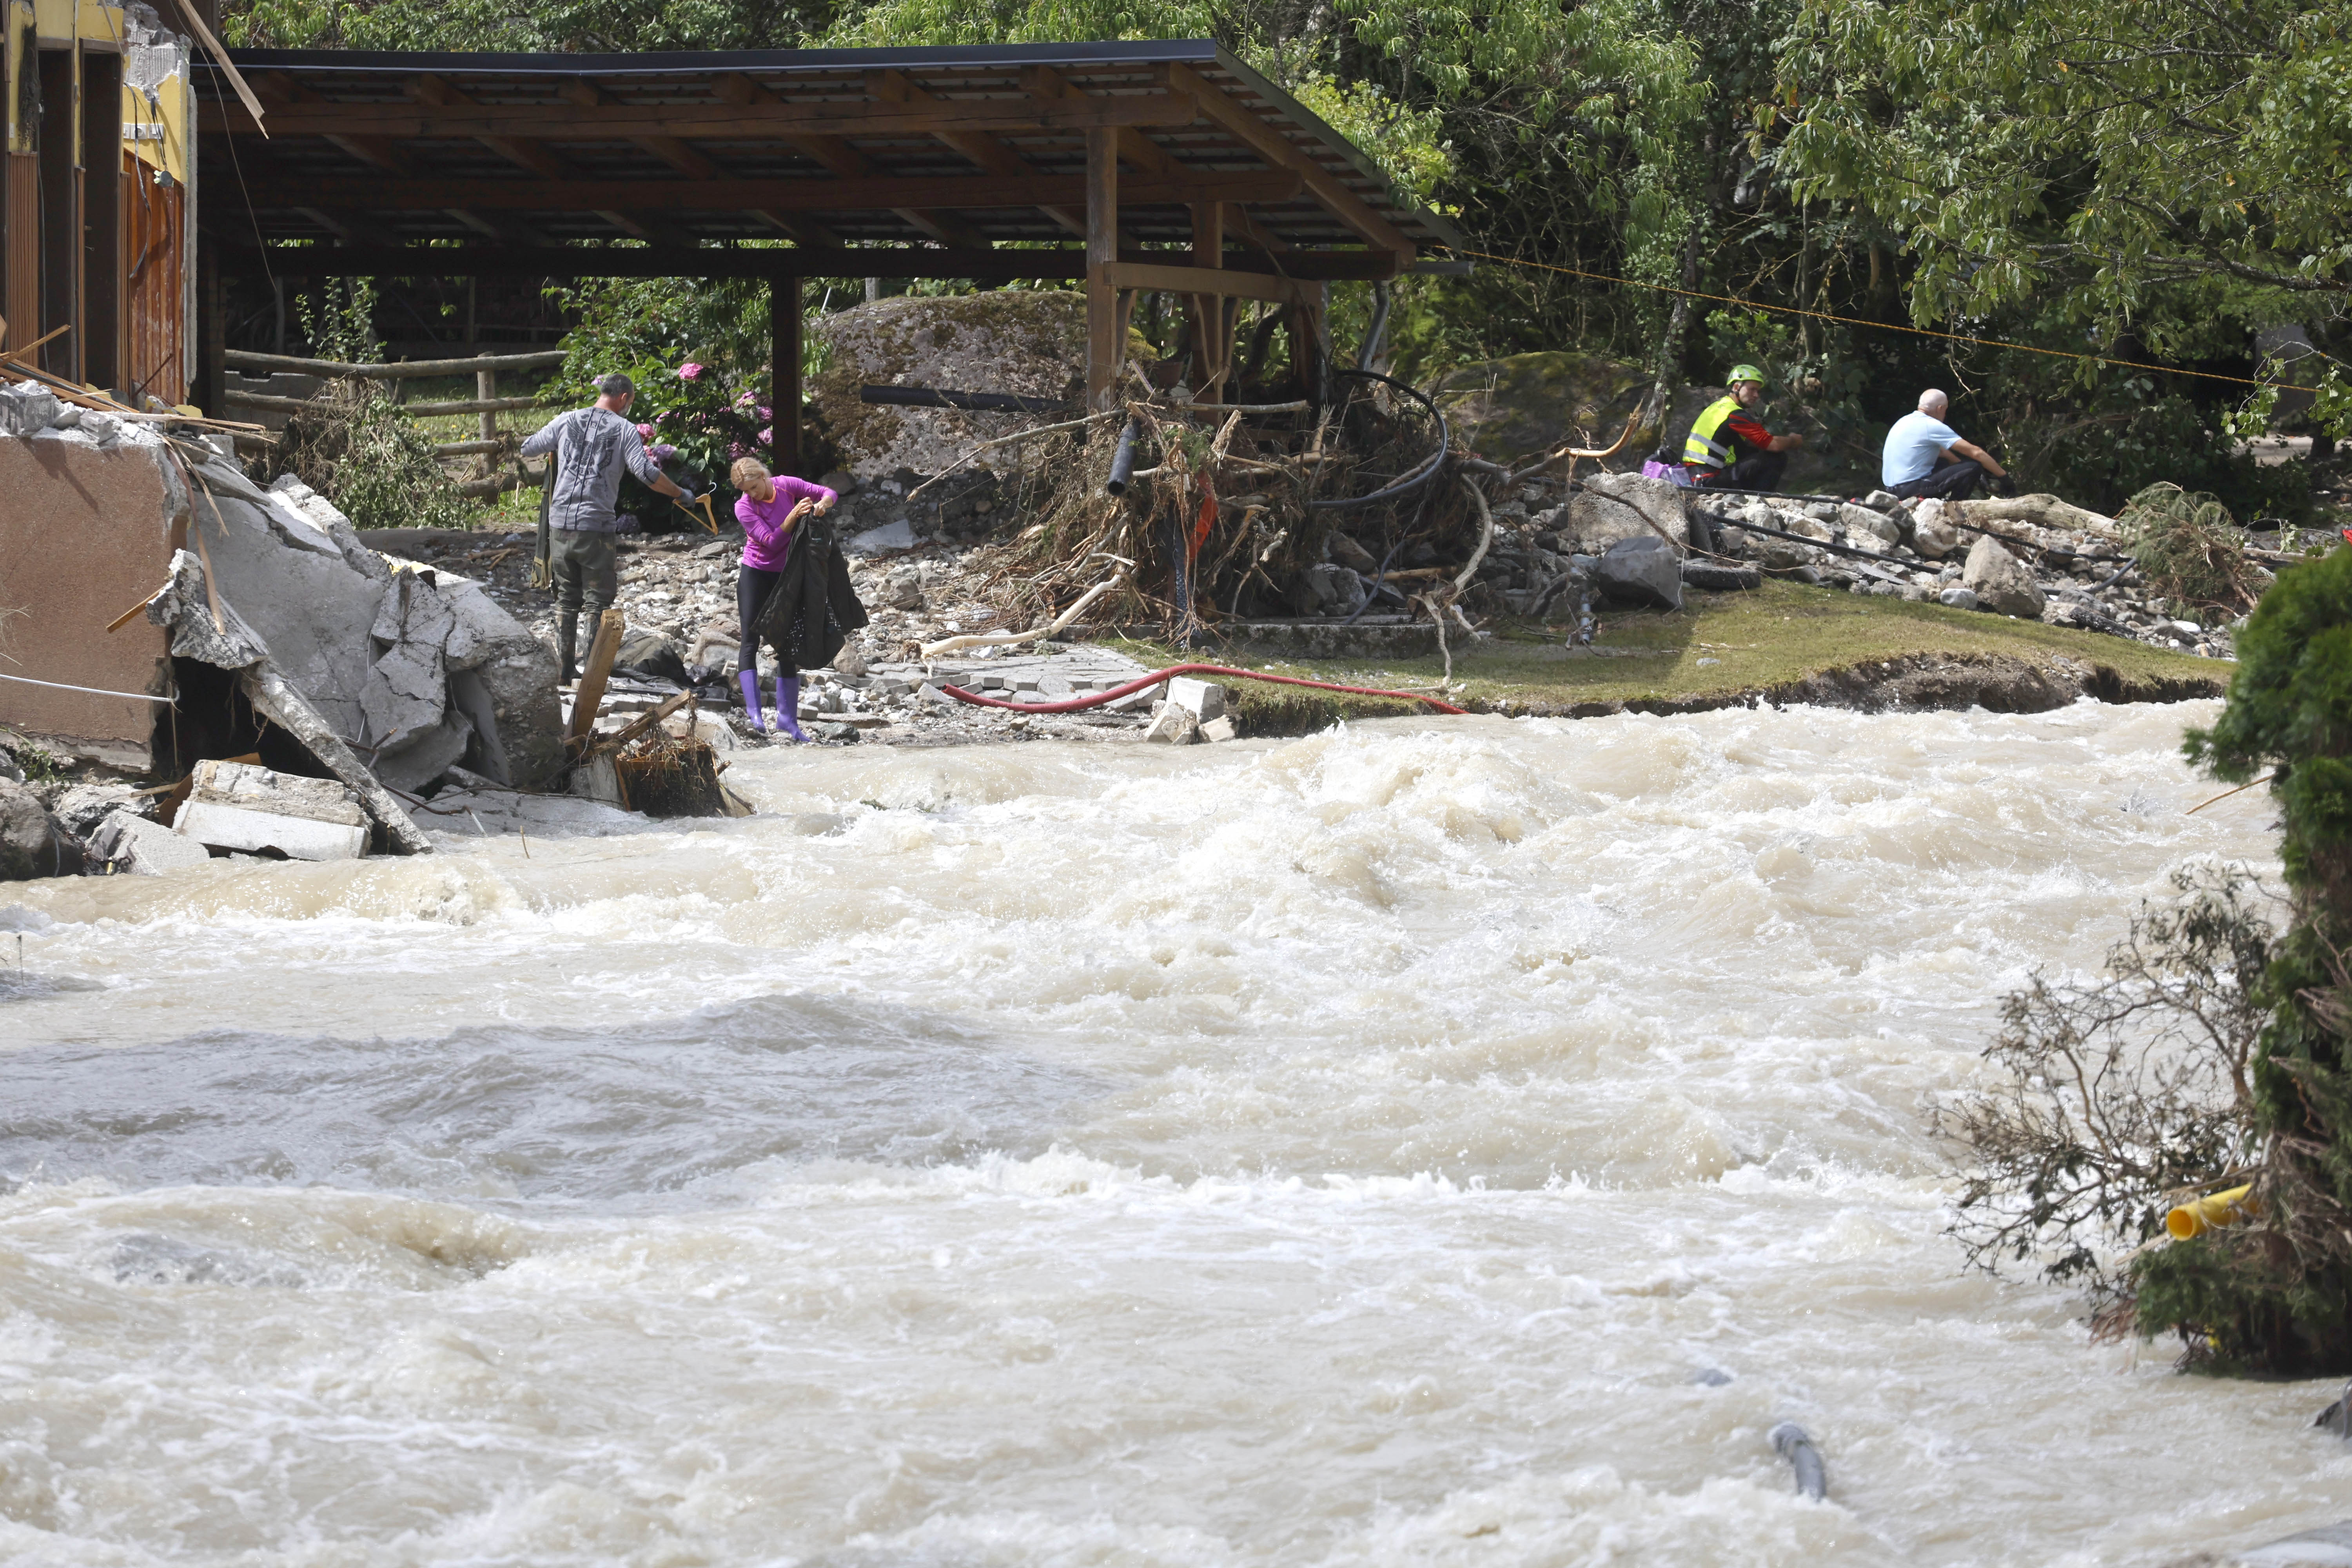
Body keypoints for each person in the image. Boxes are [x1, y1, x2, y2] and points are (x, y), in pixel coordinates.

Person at [521, 372, 694, 680]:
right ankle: (591, 675)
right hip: (596, 528)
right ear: (624, 398)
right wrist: (680, 494)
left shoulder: (566, 420)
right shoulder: (624, 430)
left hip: (559, 524)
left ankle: (564, 672)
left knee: (566, 599)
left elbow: (528, 447)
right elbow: (646, 473)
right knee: (596, 601)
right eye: (631, 401)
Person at [730, 456, 839, 741]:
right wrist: (793, 516)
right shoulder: (743, 507)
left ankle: (787, 720)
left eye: (755, 487)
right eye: (747, 490)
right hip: (755, 573)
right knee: (750, 640)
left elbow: (829, 493)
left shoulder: (786, 486)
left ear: (765, 476)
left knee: (788, 644)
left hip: (786, 574)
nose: (752, 494)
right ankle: (754, 713)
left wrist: (822, 505)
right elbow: (772, 541)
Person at [1682, 365, 1805, 492]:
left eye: (1758, 391)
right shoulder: (1735, 414)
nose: (1756, 395)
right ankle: (1760, 499)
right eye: (1752, 390)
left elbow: (1751, 443)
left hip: (1698, 479)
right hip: (1710, 480)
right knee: (1776, 458)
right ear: (1737, 387)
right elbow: (1772, 444)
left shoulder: (1717, 407)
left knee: (1750, 450)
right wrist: (1793, 441)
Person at [1882, 388, 2009, 501]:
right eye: (1946, 410)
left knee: (1947, 464)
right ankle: (1954, 510)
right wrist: (2004, 478)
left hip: (1892, 491)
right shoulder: (1931, 425)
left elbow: (1942, 452)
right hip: (1912, 490)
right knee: (1973, 467)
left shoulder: (1904, 421)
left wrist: (1961, 469)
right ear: (1940, 409)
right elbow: (1976, 453)